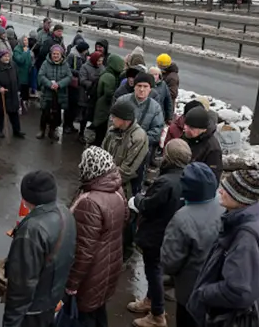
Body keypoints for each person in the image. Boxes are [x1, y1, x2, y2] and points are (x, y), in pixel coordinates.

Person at [187, 170, 259, 325]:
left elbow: (238, 290)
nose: (220, 191)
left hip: (227, 319)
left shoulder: (246, 237)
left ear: (240, 197)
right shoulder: (245, 221)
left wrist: (204, 293)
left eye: (226, 189)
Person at [127, 139, 193, 327]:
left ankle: (157, 314)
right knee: (157, 269)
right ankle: (150, 300)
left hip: (157, 234)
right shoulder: (187, 178)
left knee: (153, 270)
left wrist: (137, 199)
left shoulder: (166, 182)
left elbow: (148, 206)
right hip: (172, 233)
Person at [3, 171, 77, 327]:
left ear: (27, 199)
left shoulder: (32, 231)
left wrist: (10, 323)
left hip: (32, 312)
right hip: (52, 300)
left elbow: (21, 288)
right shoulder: (66, 213)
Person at [66, 147, 128, 327]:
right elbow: (123, 221)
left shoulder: (90, 202)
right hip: (110, 266)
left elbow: (83, 251)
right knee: (99, 310)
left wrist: (72, 283)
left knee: (85, 316)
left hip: (91, 274)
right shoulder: (117, 190)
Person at [161, 162, 224, 327]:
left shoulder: (182, 218)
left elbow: (170, 261)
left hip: (190, 291)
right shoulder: (223, 207)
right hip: (217, 287)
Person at [103, 100, 148, 261]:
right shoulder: (113, 130)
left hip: (127, 185)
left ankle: (125, 250)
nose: (111, 119)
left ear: (125, 120)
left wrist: (106, 182)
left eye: (114, 117)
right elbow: (103, 153)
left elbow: (128, 170)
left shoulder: (138, 137)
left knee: (127, 218)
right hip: (109, 180)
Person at [117, 73, 165, 193]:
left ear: (150, 88)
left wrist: (138, 142)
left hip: (141, 153)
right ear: (134, 86)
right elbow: (112, 123)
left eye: (145, 86)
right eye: (139, 85)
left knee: (136, 182)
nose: (142, 89)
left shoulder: (155, 108)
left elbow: (157, 130)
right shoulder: (122, 101)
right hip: (119, 148)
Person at [0, 50, 25, 139]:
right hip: (0, 95)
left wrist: (18, 88)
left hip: (12, 93)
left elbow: (17, 76)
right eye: (5, 56)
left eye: (8, 56)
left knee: (14, 113)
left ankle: (17, 130)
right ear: (0, 58)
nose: (7, 58)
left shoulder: (13, 65)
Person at [37, 45, 72, 141]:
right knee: (45, 113)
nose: (55, 56)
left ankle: (52, 131)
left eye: (57, 54)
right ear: (51, 54)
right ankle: (42, 130)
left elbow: (69, 77)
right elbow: (41, 75)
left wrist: (59, 84)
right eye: (54, 54)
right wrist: (49, 84)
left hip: (59, 93)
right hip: (48, 93)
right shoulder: (46, 63)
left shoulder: (65, 64)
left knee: (56, 115)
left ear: (61, 55)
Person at [91, 54, 125, 146]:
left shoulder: (107, 73)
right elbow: (108, 94)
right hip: (104, 107)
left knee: (100, 129)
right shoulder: (110, 77)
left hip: (101, 105)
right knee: (101, 130)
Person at [182, 107, 223, 182]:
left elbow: (212, 180)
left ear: (203, 129)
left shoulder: (213, 149)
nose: (186, 129)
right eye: (186, 125)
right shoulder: (188, 136)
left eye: (191, 128)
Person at [77, 51, 105, 143]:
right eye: (98, 61)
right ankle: (81, 133)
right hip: (86, 95)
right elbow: (82, 80)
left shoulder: (102, 68)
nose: (100, 63)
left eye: (101, 61)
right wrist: (94, 84)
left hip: (96, 96)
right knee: (84, 116)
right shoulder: (85, 67)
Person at [63, 40, 90, 135]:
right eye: (86, 50)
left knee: (75, 107)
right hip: (72, 85)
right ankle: (66, 125)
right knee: (70, 106)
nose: (87, 52)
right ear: (82, 50)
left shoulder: (83, 57)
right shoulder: (72, 56)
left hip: (78, 85)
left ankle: (70, 125)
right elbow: (67, 68)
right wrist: (79, 73)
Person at [12, 35, 34, 113]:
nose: (26, 42)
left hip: (26, 73)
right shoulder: (17, 50)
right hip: (20, 73)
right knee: (19, 90)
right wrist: (24, 52)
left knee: (25, 90)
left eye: (27, 40)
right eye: (24, 40)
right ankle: (18, 106)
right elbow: (20, 60)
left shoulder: (27, 49)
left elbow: (29, 60)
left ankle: (24, 104)